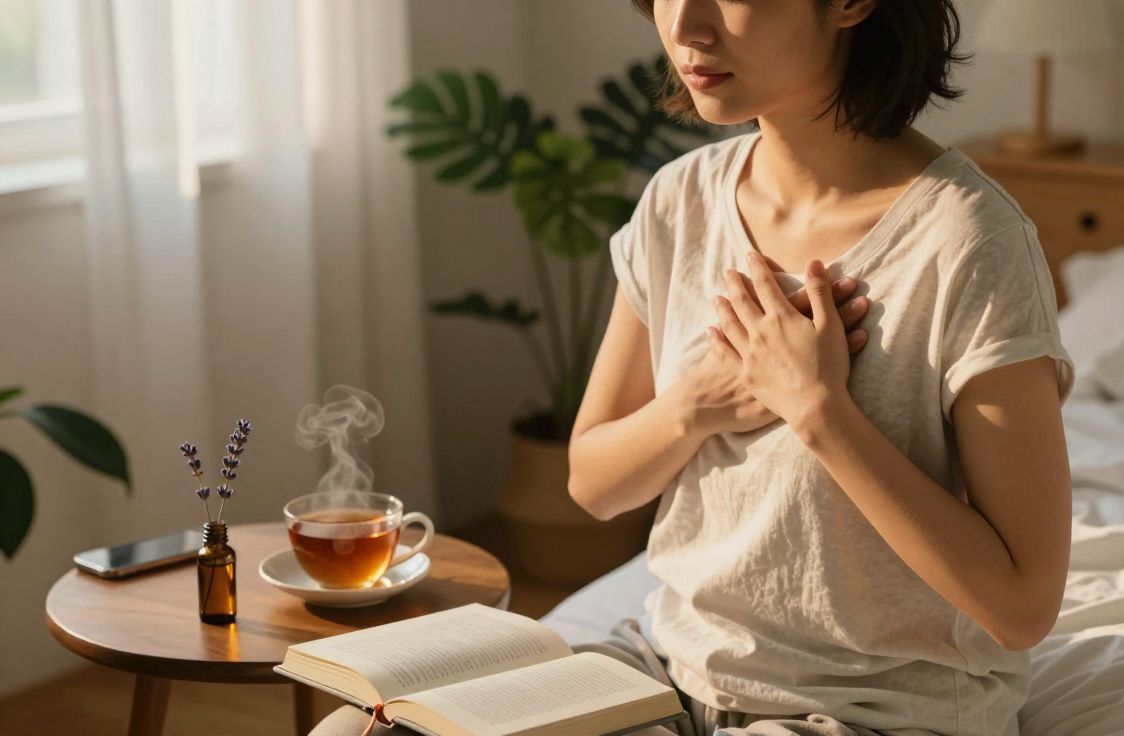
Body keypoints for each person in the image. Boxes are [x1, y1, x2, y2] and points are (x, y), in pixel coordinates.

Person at [312, 0, 1074, 734]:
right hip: (664, 674)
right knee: (358, 730)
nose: (683, 25)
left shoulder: (969, 242)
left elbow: (1020, 608)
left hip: (865, 709)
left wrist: (820, 412)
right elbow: (594, 480)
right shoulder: (680, 201)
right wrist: (699, 404)